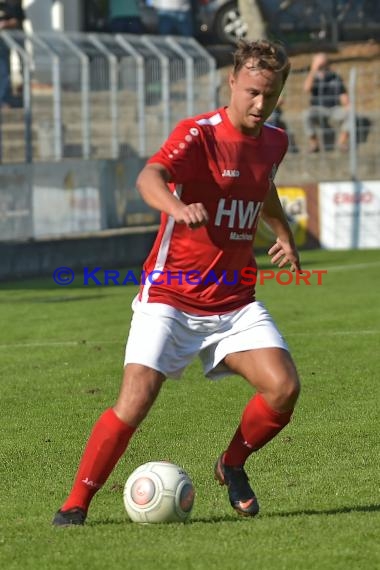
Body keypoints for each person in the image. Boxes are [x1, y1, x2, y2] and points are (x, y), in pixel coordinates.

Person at [52, 39, 301, 526]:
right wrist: (176, 206)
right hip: (170, 295)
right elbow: (150, 177)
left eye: (269, 96)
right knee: (136, 399)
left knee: (284, 388)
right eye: (251, 91)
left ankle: (231, 464)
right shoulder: (199, 134)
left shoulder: (275, 141)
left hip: (233, 302)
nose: (258, 104)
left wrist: (285, 235)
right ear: (231, 81)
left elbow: (263, 190)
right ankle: (75, 503)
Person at [303, 52, 350, 152]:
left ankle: (342, 143)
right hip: (317, 109)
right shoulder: (313, 77)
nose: (322, 66)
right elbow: (307, 89)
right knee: (306, 115)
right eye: (319, 63)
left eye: (323, 63)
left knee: (351, 113)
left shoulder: (335, 77)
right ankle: (314, 144)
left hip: (334, 108)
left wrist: (348, 106)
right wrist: (314, 70)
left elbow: (344, 96)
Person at [0, 0, 24, 108]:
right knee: (3, 71)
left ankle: (11, 98)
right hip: (2, 42)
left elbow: (17, 20)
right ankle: (4, 98)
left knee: (10, 71)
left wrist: (6, 24)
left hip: (14, 38)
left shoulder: (14, 5)